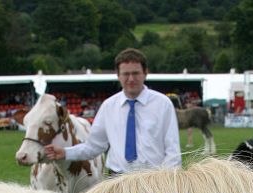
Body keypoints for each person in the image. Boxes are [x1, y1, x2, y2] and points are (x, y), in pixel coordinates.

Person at [44, 48, 181, 175]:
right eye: (126, 74)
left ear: (145, 73)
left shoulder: (163, 104)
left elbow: (173, 152)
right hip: (117, 182)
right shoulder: (108, 107)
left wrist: (166, 182)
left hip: (153, 181)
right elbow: (93, 147)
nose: (131, 79)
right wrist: (65, 153)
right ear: (118, 76)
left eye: (136, 73)